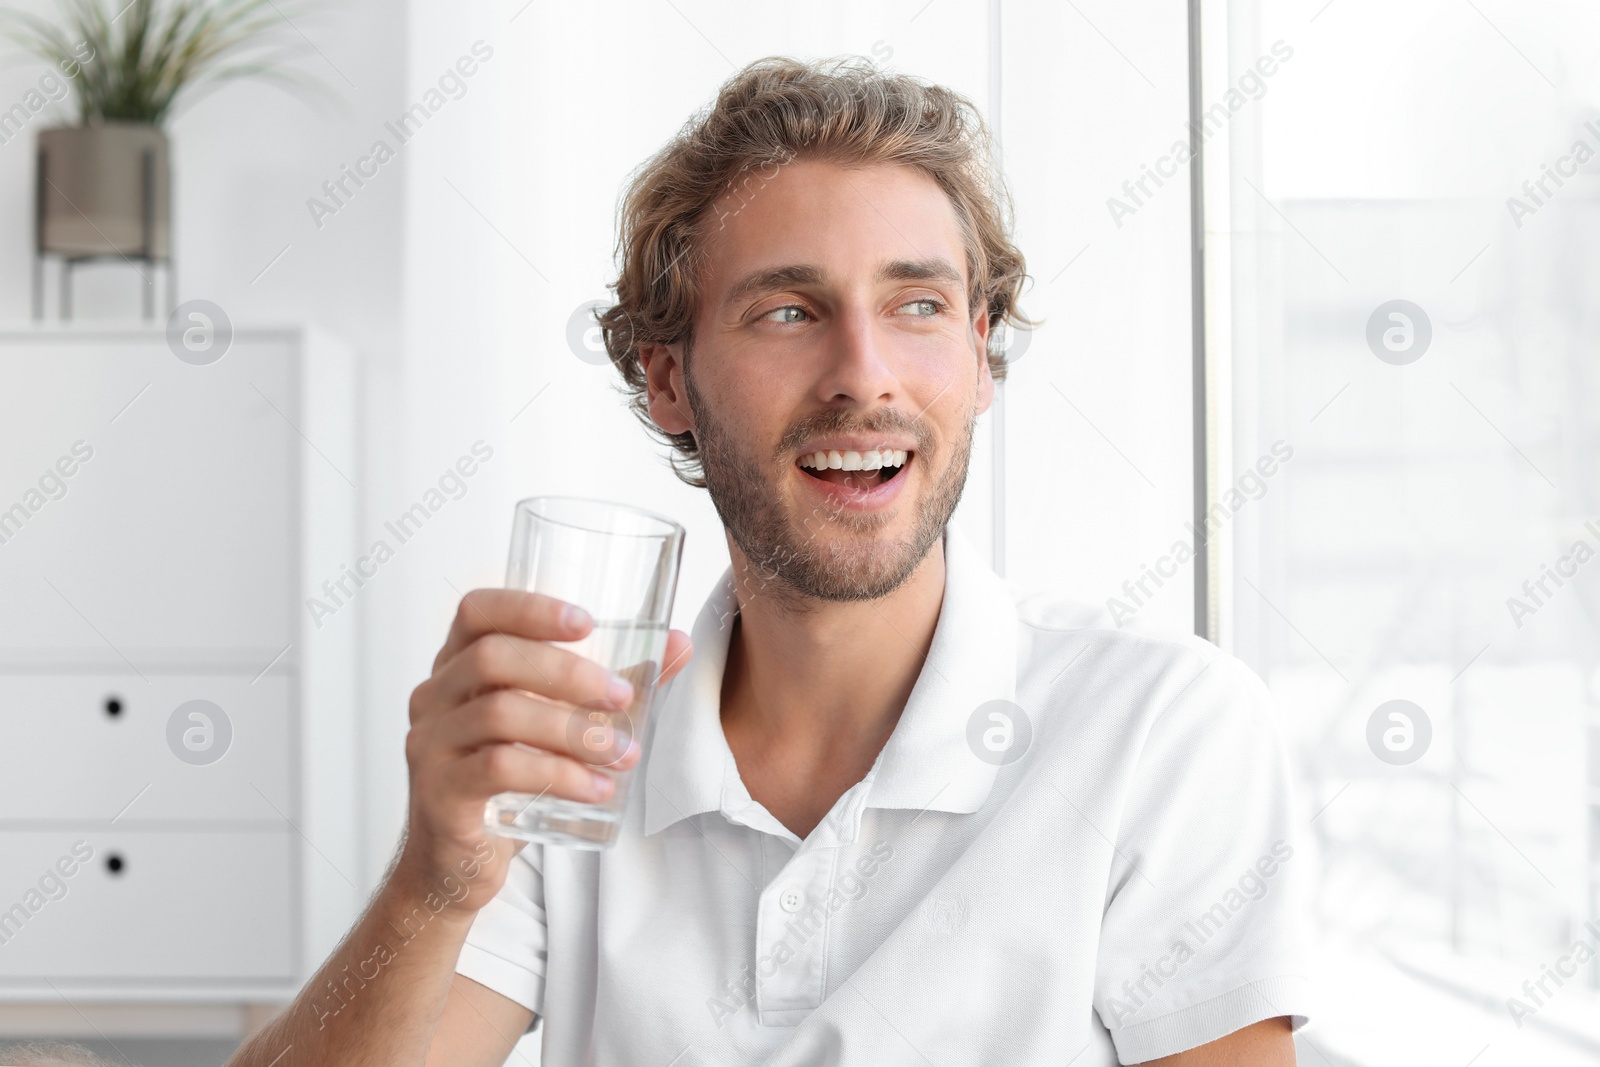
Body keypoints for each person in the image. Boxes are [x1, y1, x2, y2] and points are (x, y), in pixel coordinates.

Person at [228, 54, 1311, 1066]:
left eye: (917, 305)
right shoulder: (581, 750)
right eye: (788, 310)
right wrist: (433, 882)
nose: (862, 372)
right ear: (666, 380)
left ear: (980, 355)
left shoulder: (1163, 727)